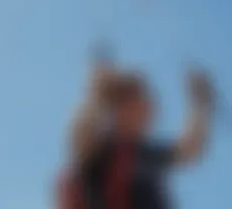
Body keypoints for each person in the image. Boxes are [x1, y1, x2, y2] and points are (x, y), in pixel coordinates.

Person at [56, 57, 215, 209]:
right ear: (120, 107)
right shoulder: (99, 147)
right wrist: (97, 93)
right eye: (142, 99)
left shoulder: (144, 153)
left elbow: (189, 150)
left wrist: (201, 105)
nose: (150, 106)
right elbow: (79, 135)